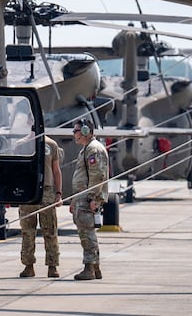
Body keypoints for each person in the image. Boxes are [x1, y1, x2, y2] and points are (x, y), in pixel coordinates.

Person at [18, 134, 63, 278]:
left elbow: (56, 170)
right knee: (27, 231)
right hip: (28, 191)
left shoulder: (51, 144)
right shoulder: (21, 144)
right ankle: (28, 265)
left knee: (50, 230)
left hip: (47, 190)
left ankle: (52, 265)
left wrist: (58, 193)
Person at [69, 118, 108, 280]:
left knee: (87, 234)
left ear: (85, 131)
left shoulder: (94, 150)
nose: (74, 134)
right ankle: (95, 268)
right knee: (86, 232)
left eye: (76, 130)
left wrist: (93, 198)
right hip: (82, 197)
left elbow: (97, 175)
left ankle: (89, 268)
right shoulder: (87, 149)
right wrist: (74, 200)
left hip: (87, 198)